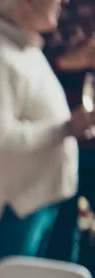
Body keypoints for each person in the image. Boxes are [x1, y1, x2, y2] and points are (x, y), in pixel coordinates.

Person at [0, 0, 94, 278]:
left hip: (45, 199)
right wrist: (66, 128)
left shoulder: (28, 52)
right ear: (22, 6)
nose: (62, 2)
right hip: (15, 209)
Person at [42, 0, 95, 263]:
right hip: (60, 141)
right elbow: (29, 67)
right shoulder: (53, 10)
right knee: (61, 237)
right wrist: (75, 60)